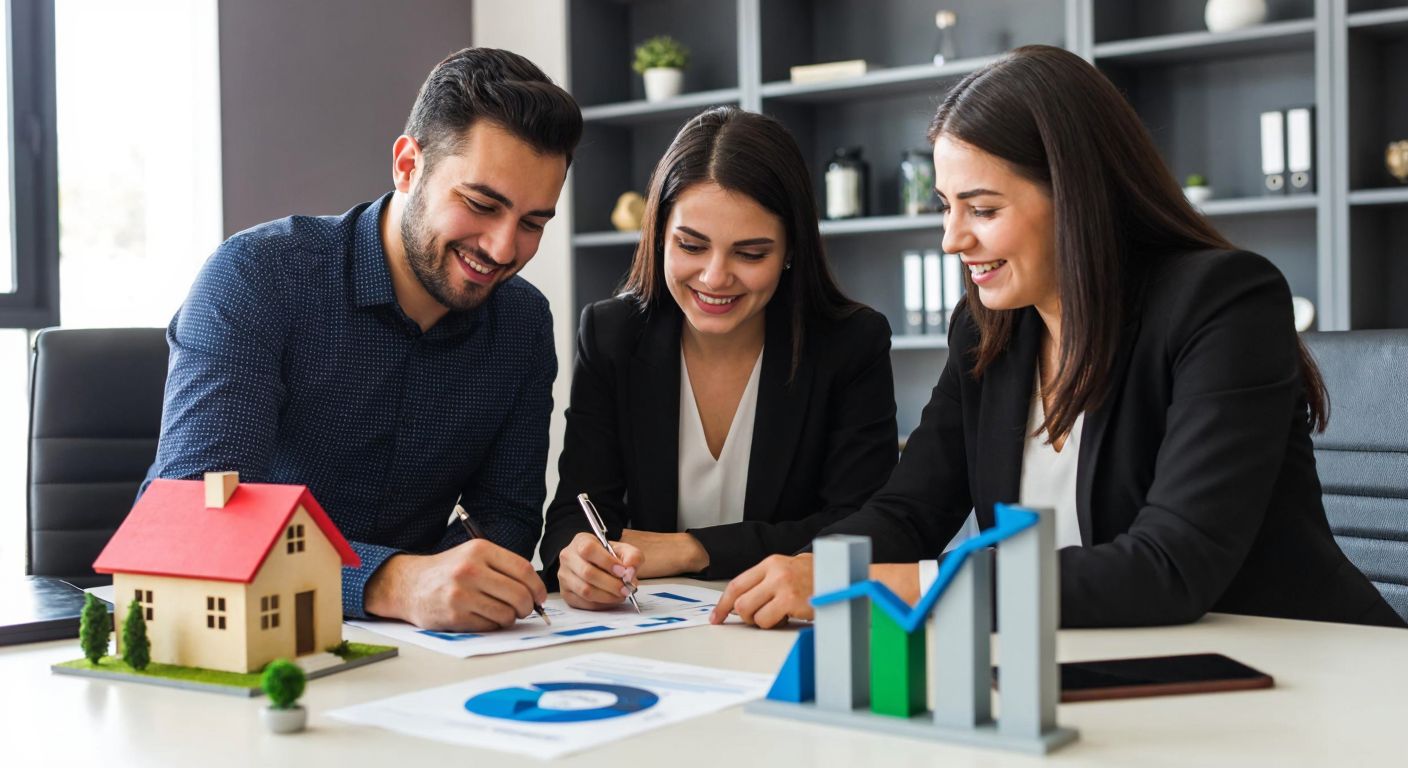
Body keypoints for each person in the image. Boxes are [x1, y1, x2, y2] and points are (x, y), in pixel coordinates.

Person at [710, 45, 1406, 630]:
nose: (954, 239)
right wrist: (812, 572)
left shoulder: (1222, 303)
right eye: (946, 208)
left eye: (982, 208)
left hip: (1307, 672)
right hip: (1115, 670)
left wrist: (899, 586)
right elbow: (909, 510)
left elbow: (1170, 566)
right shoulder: (986, 329)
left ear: (1077, 196)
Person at [143, 48, 582, 632]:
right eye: (481, 204)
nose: (504, 250)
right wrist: (390, 580)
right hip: (255, 634)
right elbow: (187, 519)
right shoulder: (258, 276)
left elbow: (505, 513)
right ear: (407, 166)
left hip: (425, 652)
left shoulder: (522, 324)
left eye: (533, 224)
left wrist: (463, 578)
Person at [539, 107, 899, 610]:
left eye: (750, 254)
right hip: (648, 630)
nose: (714, 277)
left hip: (787, 625)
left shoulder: (850, 344)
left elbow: (861, 526)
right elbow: (575, 515)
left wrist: (692, 548)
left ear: (791, 249)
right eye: (691, 245)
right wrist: (576, 561)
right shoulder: (612, 334)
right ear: (659, 234)